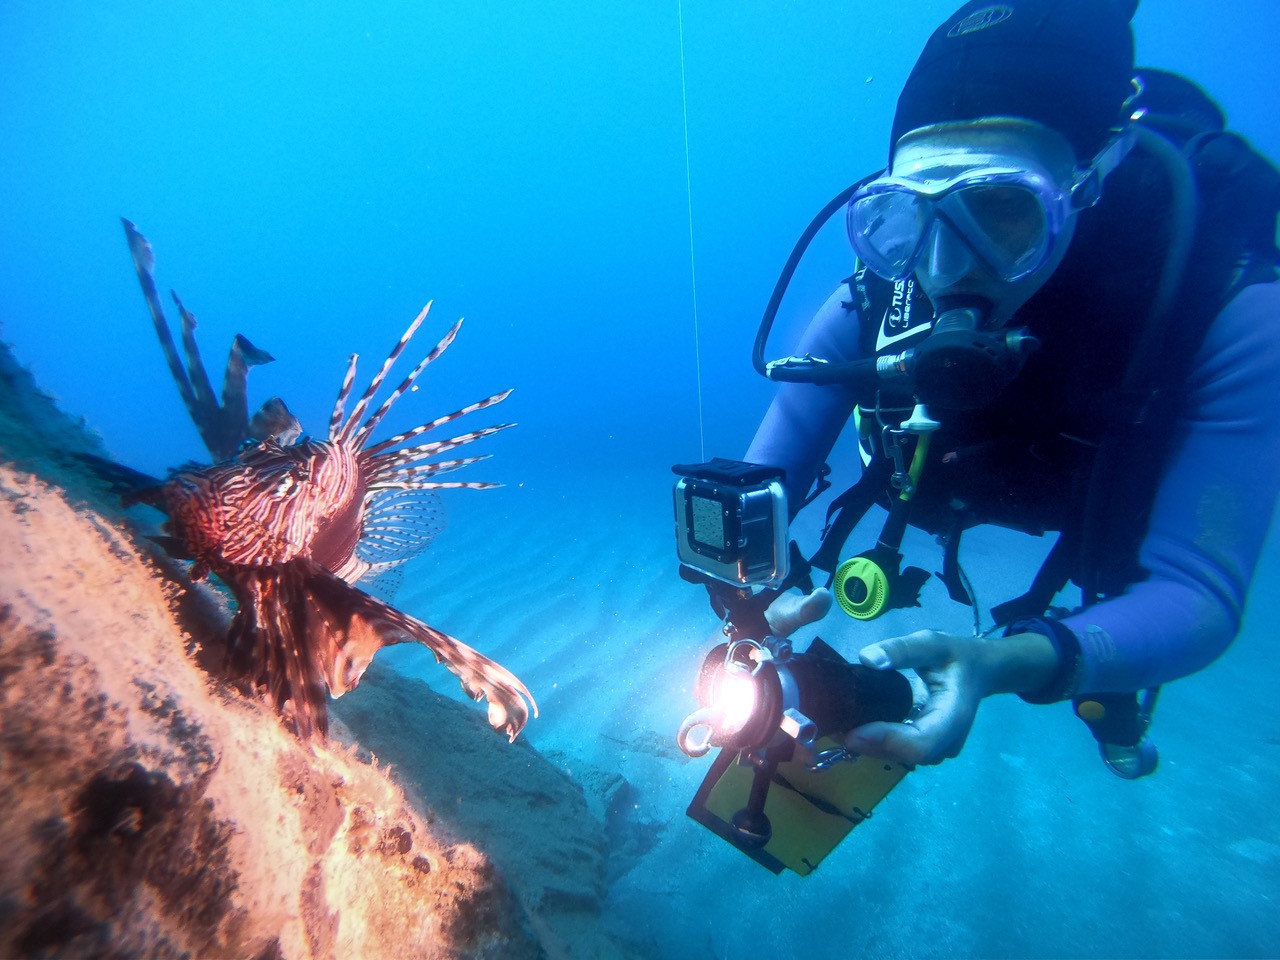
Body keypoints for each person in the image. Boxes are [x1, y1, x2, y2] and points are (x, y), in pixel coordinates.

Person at [745, 0, 1280, 770]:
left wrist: (1007, 663)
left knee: (1114, 692)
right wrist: (741, 595)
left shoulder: (1227, 311)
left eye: (1001, 208)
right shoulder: (872, 302)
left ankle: (1114, 720)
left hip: (1099, 515)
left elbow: (1199, 591)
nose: (943, 267)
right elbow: (761, 481)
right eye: (907, 216)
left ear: (1094, 178)